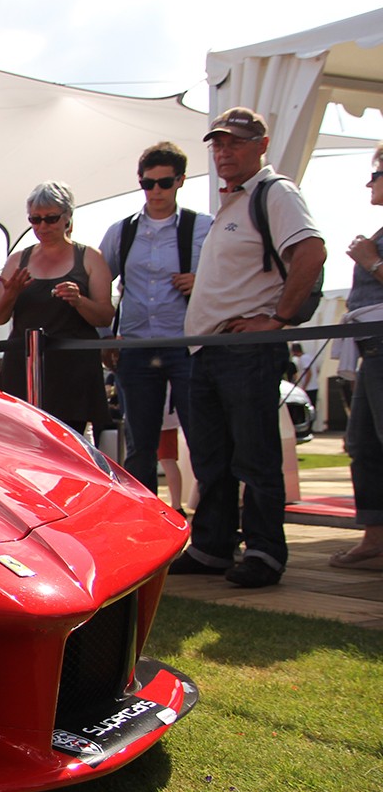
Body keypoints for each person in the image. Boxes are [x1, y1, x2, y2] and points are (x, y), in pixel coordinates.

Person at [170, 108, 326, 588]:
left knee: (253, 453)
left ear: (261, 145)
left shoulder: (273, 192)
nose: (223, 152)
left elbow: (312, 251)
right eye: (217, 144)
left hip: (244, 350)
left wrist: (277, 318)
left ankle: (263, 550)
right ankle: (214, 545)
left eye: (234, 143)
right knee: (213, 455)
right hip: (211, 348)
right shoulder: (236, 203)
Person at [99, 141, 212, 496]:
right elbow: (101, 283)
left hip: (187, 346)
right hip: (136, 347)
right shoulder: (122, 231)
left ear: (181, 181)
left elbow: (230, 280)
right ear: (140, 182)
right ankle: (146, 529)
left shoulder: (203, 227)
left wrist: (203, 283)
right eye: (149, 183)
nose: (156, 191)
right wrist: (104, 336)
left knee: (204, 441)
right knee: (139, 448)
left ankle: (213, 536)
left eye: (165, 182)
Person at [0, 182, 115, 436]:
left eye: (51, 219)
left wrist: (79, 301)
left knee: (69, 446)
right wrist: (11, 294)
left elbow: (105, 315)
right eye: (35, 220)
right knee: (20, 444)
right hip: (22, 368)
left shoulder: (89, 257)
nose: (43, 227)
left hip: (73, 373)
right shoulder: (18, 259)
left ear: (68, 218)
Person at [328, 144, 383, 570]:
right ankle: (375, 535)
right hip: (371, 348)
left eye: (376, 172)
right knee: (362, 443)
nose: (370, 181)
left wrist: (372, 262)